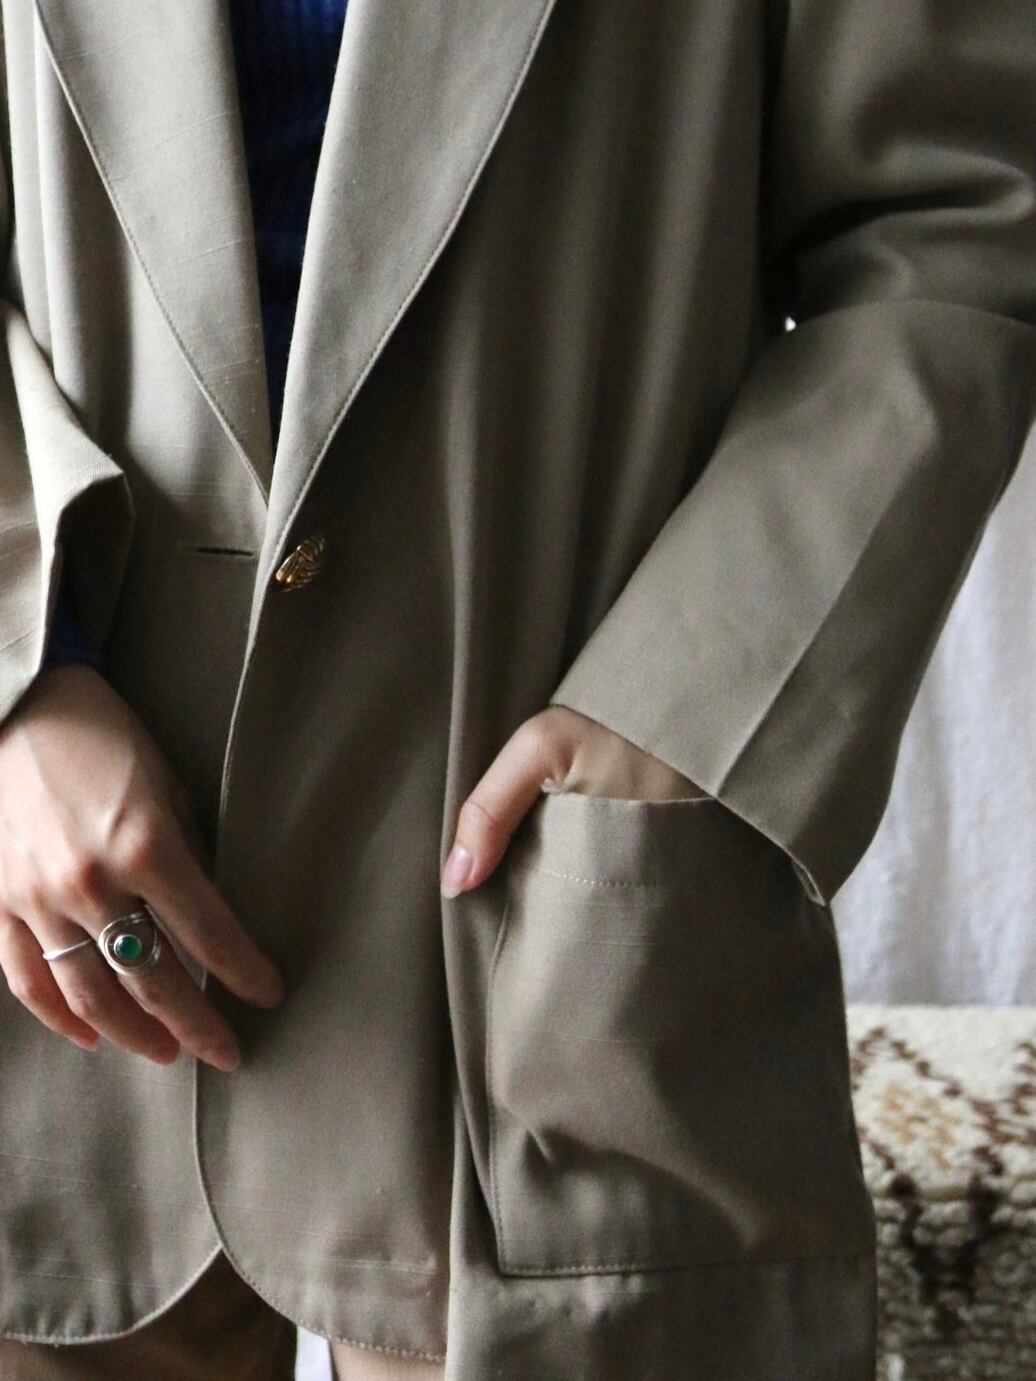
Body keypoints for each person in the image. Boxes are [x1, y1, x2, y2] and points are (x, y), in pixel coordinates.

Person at [0, 1, 1032, 1378]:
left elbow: (956, 220)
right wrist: (20, 673)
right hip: (51, 932)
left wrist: (694, 701)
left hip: (547, 922)